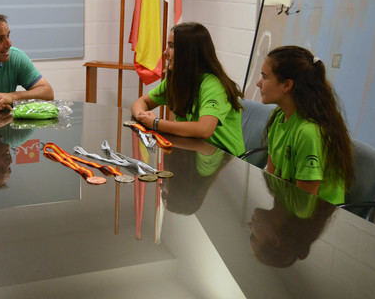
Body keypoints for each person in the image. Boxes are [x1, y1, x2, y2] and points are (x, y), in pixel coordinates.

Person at [256, 45, 353, 205]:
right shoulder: (279, 116)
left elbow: (303, 205)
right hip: (288, 206)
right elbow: (271, 181)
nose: (259, 83)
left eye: (265, 77)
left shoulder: (308, 132)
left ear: (287, 85)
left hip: (315, 219)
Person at [131, 22, 245, 156]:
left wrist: (156, 123)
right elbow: (142, 102)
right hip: (193, 153)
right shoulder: (177, 79)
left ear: (189, 53)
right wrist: (143, 116)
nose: (165, 52)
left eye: (171, 46)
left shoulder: (213, 85)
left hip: (224, 160)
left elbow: (204, 129)